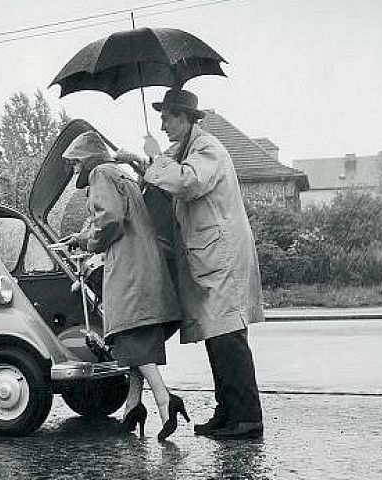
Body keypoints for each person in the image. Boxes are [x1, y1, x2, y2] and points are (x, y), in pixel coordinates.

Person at [127, 88, 265, 439]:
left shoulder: (208, 149)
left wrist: (155, 157)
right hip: (211, 256)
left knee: (228, 336)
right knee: (215, 336)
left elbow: (186, 181)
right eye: (161, 117)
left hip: (222, 257)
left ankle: (246, 417)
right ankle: (227, 411)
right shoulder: (189, 149)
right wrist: (141, 162)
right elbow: (170, 173)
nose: (163, 124)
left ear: (187, 118)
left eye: (168, 117)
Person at [62, 131, 188, 441]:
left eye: (76, 164)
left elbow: (110, 219)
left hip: (128, 265)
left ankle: (164, 399)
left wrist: (90, 243)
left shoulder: (101, 173)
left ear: (87, 160)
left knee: (128, 334)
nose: (75, 171)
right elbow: (114, 214)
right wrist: (80, 237)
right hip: (145, 261)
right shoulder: (123, 175)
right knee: (135, 337)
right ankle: (133, 407)